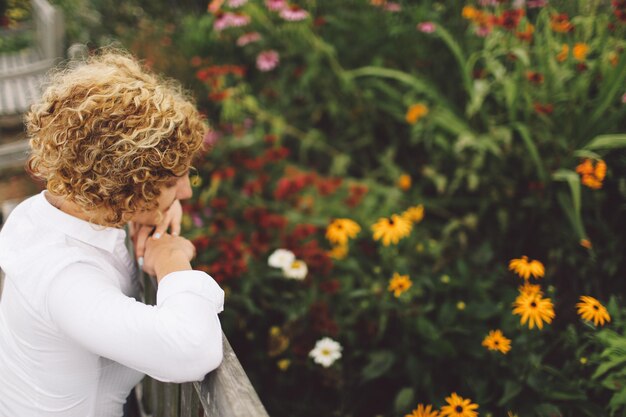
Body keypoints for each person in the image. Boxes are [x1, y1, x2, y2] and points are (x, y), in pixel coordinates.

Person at [0, 50, 224, 417]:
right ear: (119, 186)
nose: (186, 192)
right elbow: (190, 351)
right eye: (172, 180)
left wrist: (150, 203)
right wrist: (172, 262)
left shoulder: (41, 213)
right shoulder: (64, 278)